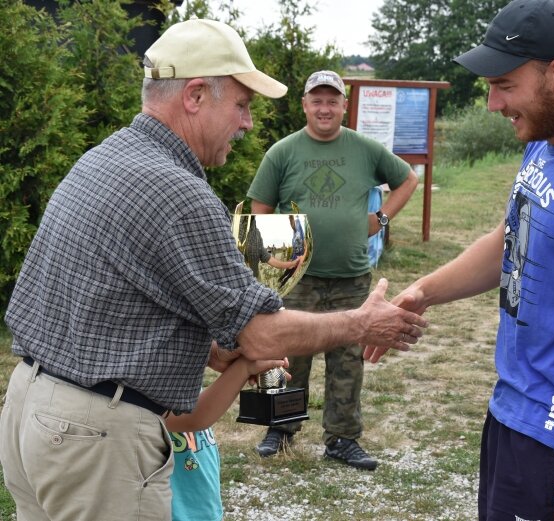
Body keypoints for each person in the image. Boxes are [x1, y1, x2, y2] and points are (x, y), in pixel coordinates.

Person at [0, 19, 426, 521]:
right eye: (242, 105)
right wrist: (360, 322)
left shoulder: (102, 159)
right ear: (196, 95)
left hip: (30, 409)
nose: (247, 123)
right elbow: (264, 336)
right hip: (97, 437)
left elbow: (105, 301)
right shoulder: (177, 190)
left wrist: (210, 349)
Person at [365, 1, 554, 519]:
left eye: (504, 84)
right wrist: (423, 291)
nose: (492, 103)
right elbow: (511, 238)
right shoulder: (546, 140)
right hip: (514, 408)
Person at [247, 69, 419, 470]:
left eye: (332, 100)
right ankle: (279, 428)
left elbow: (407, 179)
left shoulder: (364, 149)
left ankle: (343, 439)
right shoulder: (282, 152)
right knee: (284, 355)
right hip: (296, 277)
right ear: (305, 105)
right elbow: (260, 207)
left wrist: (382, 219)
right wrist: (272, 260)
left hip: (352, 275)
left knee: (348, 360)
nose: (325, 108)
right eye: (317, 100)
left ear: (345, 105)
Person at [166, 350, 289, 521]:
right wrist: (243, 368)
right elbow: (192, 418)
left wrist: (211, 352)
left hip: (202, 507)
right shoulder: (135, 379)